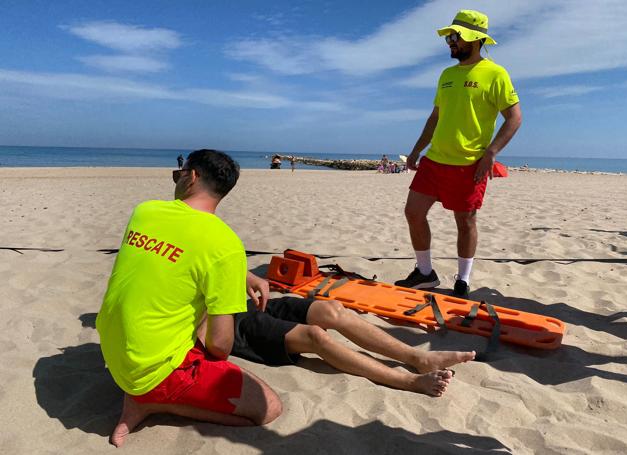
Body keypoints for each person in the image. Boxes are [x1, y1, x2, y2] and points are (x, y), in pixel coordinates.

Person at [96, 149, 282, 447]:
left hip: (112, 349)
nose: (176, 178)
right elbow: (220, 348)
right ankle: (153, 402)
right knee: (270, 408)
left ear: (191, 176)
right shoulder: (225, 244)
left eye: (177, 174)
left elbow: (178, 254)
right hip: (149, 370)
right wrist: (231, 278)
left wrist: (239, 274)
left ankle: (147, 396)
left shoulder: (145, 211)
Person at [396, 10, 522, 297]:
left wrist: (491, 152)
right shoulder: (447, 75)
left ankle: (463, 280)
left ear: (475, 38)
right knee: (413, 213)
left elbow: (514, 117)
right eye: (449, 37)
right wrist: (417, 150)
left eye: (455, 36)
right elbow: (435, 117)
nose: (450, 42)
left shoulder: (496, 74)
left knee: (465, 223)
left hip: (469, 164)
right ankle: (425, 273)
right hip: (435, 160)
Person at [222, 292, 474, 399]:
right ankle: (407, 381)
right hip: (223, 321)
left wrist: (247, 275)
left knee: (330, 310)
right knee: (315, 337)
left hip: (238, 301)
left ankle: (419, 359)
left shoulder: (199, 222)